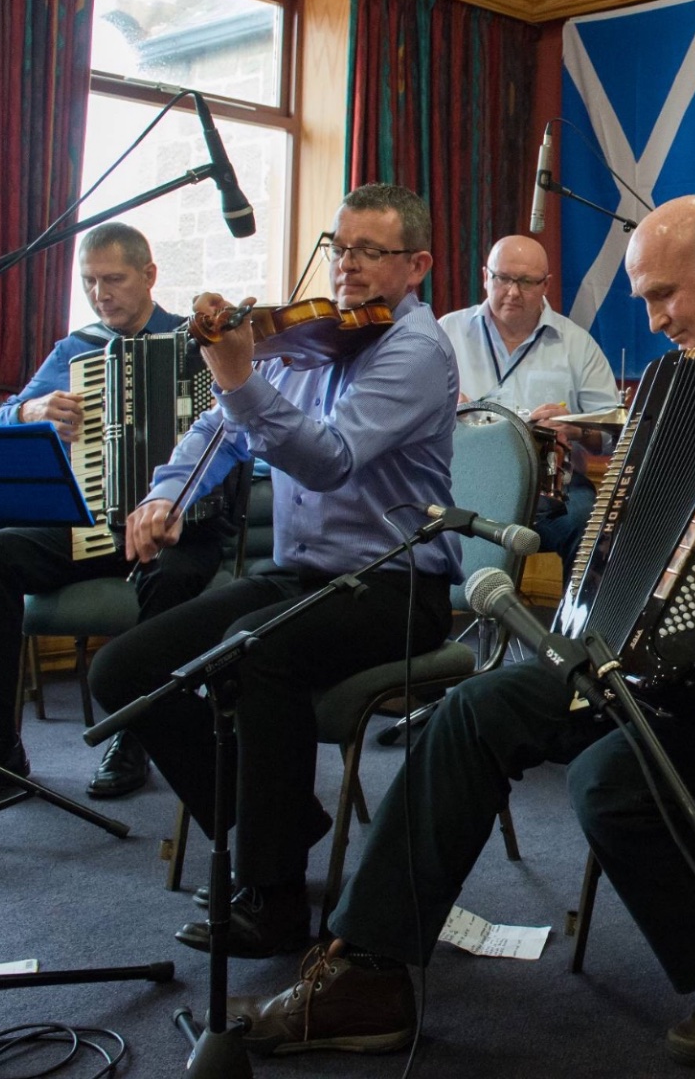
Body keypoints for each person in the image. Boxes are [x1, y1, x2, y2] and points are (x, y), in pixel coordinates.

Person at [224, 196, 695, 1066]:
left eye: (665, 295)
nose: (656, 319)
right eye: (645, 302)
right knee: (469, 713)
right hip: (659, 649)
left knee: (610, 780)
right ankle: (368, 973)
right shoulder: (679, 376)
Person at [87, 183, 461, 959]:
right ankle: (277, 826)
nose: (346, 266)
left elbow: (329, 461)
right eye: (337, 247)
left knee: (257, 650)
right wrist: (163, 496)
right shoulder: (306, 342)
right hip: (304, 575)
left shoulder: (416, 351)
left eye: (369, 251)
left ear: (416, 264)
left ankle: (276, 894)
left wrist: (239, 376)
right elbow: (215, 434)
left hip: (397, 585)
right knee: (126, 669)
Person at [0, 223, 225, 812]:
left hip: (185, 525)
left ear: (149, 276)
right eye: (89, 282)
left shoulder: (198, 343)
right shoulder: (75, 349)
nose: (100, 293)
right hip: (96, 522)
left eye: (113, 279)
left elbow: (238, 438)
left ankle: (134, 732)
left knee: (171, 575)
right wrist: (32, 409)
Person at [437, 234, 620, 565]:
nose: (512, 292)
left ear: (546, 284)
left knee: (592, 525)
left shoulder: (577, 345)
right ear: (485, 277)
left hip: (548, 492)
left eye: (526, 282)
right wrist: (439, 406)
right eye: (502, 278)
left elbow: (613, 435)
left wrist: (574, 429)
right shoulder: (447, 333)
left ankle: (576, 618)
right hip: (461, 483)